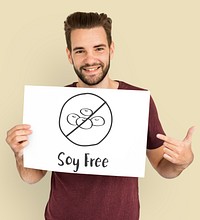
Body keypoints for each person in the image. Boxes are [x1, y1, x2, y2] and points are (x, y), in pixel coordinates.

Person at [6, 12, 195, 220]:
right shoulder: (53, 103)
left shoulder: (137, 101)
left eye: (98, 48)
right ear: (69, 55)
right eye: (80, 51)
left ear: (111, 49)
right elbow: (32, 177)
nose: (90, 59)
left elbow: (163, 167)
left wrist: (182, 161)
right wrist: (20, 154)